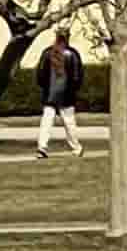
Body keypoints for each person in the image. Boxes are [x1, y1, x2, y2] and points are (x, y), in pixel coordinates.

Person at [35, 27, 85, 157]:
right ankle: (76, 147)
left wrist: (45, 88)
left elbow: (40, 75)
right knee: (69, 123)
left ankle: (42, 147)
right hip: (66, 95)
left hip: (49, 94)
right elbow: (77, 76)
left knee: (46, 122)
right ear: (68, 37)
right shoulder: (73, 54)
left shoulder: (47, 52)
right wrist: (73, 90)